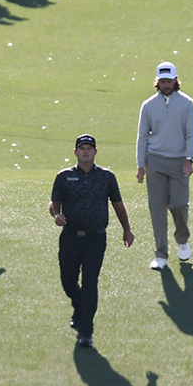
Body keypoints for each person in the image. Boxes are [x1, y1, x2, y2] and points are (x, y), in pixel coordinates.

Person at [49, 133, 135, 349]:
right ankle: (79, 307)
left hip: (96, 238)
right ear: (76, 152)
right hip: (70, 236)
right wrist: (56, 215)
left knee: (90, 283)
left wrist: (127, 230)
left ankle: (86, 330)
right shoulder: (64, 176)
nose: (85, 151)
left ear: (95, 152)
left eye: (89, 148)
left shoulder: (107, 177)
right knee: (68, 282)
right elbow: (54, 202)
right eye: (82, 148)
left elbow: (117, 204)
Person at [134, 61, 193, 270]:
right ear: (157, 82)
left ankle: (182, 240)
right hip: (156, 161)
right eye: (162, 81)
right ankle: (161, 253)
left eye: (169, 81)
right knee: (157, 209)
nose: (166, 84)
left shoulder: (187, 103)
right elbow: (142, 137)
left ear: (176, 81)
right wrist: (141, 165)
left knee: (179, 204)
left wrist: (189, 159)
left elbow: (191, 134)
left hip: (179, 161)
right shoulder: (149, 105)